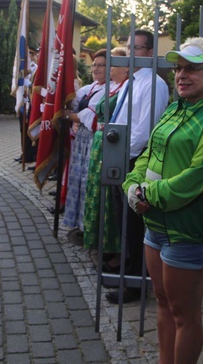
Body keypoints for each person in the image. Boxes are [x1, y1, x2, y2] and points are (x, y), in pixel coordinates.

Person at [124, 37, 203, 363]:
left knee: (184, 313)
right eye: (179, 68)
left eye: (193, 68)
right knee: (162, 304)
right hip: (155, 223)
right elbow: (147, 157)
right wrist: (132, 187)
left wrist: (147, 194)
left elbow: (196, 178)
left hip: (189, 229)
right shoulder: (175, 109)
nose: (182, 75)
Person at [108, 28, 169, 304]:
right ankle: (127, 271)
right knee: (124, 221)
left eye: (137, 48)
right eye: (128, 46)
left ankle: (135, 283)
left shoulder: (153, 84)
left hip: (134, 158)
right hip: (121, 156)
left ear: (149, 53)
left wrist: (123, 155)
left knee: (133, 224)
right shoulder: (133, 81)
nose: (130, 52)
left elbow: (145, 132)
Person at [83, 47, 130, 268]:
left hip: (111, 144)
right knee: (98, 195)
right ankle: (98, 243)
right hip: (100, 144)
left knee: (112, 201)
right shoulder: (111, 88)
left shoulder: (127, 88)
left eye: (115, 64)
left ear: (127, 67)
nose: (110, 68)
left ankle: (114, 248)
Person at [62, 49, 108, 238]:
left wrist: (68, 115)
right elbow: (73, 103)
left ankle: (87, 227)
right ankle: (78, 225)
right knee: (77, 180)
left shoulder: (109, 89)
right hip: (81, 140)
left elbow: (87, 116)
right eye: (94, 65)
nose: (96, 68)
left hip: (92, 140)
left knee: (87, 182)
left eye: (101, 65)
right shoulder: (89, 88)